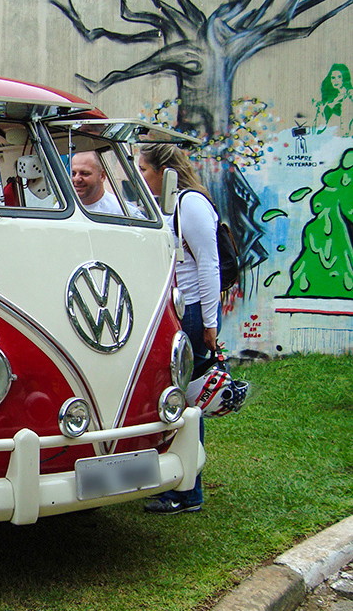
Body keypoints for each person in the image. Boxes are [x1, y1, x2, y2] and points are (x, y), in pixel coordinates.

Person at [138, 143, 220, 515]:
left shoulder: (191, 203)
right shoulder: (164, 205)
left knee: (186, 403)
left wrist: (209, 322)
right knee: (172, 398)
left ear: (165, 172)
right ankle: (173, 481)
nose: (140, 176)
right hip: (174, 310)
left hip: (192, 313)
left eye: (144, 169)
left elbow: (208, 264)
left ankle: (188, 492)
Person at [313, 63, 353, 135]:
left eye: (339, 77)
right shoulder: (329, 100)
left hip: (346, 137)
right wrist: (325, 108)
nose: (336, 81)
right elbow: (318, 127)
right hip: (329, 137)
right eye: (333, 78)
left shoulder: (350, 96)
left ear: (344, 78)